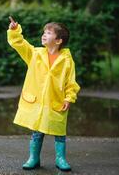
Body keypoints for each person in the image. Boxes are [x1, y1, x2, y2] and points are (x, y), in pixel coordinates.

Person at [7, 16, 80, 172]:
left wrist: (69, 98)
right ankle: (33, 158)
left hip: (57, 102)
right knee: (37, 131)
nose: (44, 35)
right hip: (38, 101)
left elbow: (71, 82)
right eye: (44, 32)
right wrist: (14, 31)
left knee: (59, 132)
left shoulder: (67, 61)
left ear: (59, 41)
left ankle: (61, 159)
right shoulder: (35, 54)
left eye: (48, 33)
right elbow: (20, 44)